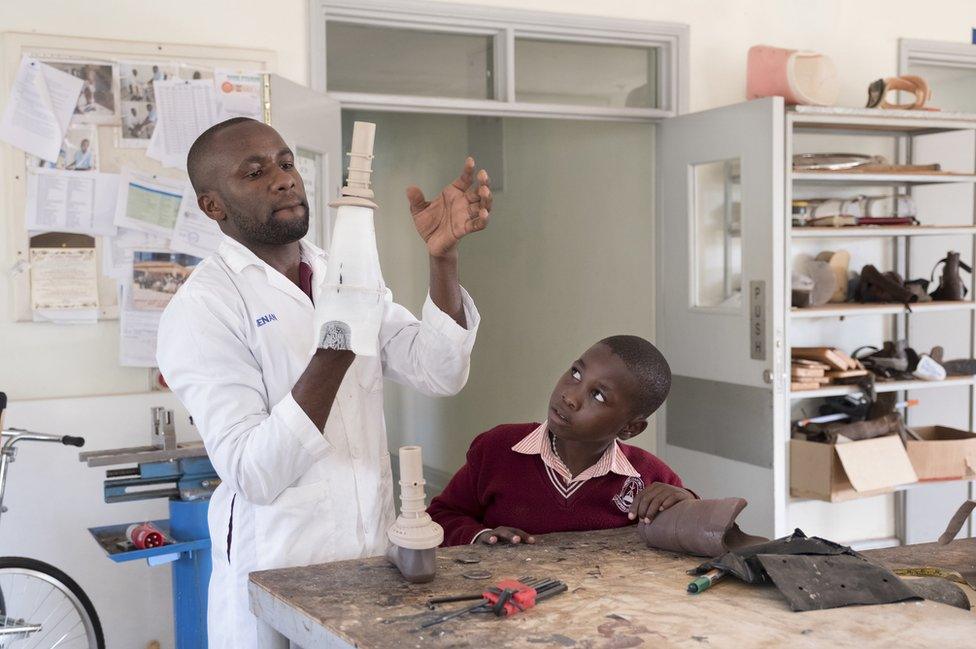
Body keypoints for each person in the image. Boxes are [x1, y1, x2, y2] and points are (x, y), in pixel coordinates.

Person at [156, 117, 491, 649]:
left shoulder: (344, 273)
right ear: (213, 206)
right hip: (281, 570)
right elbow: (254, 471)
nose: (284, 179)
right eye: (255, 172)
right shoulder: (202, 310)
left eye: (286, 164)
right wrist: (337, 345)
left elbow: (439, 371)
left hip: (373, 559)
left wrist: (442, 259)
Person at [427, 335, 695, 546]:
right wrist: (479, 536)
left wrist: (686, 501)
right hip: (509, 599)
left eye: (598, 396)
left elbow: (693, 535)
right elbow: (441, 515)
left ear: (630, 428)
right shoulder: (498, 448)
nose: (570, 397)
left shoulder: (649, 477)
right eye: (576, 373)